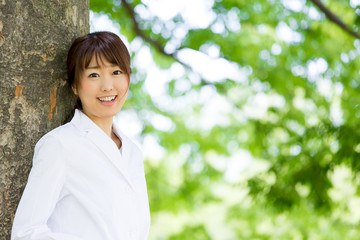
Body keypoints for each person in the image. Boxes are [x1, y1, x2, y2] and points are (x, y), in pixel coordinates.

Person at [11, 31, 150, 240]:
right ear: (75, 85)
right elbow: (25, 233)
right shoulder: (60, 145)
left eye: (117, 72)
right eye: (94, 74)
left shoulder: (133, 152)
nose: (107, 86)